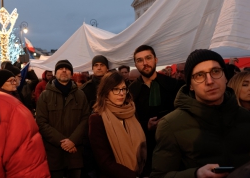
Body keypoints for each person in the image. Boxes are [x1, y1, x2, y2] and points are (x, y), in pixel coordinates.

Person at [150, 49, 250, 178]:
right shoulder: (170, 125)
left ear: (225, 76)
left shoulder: (245, 117)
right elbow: (159, 175)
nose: (209, 81)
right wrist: (195, 174)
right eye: (199, 75)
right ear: (190, 85)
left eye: (215, 71)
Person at [129, 45, 184, 177]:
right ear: (136, 64)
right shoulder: (130, 91)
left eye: (148, 58)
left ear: (156, 59)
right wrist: (145, 125)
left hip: (174, 148)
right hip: (144, 150)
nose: (145, 63)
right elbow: (127, 121)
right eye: (140, 60)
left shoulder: (174, 85)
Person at [0, 71, 50, 177]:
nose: (15, 83)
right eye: (11, 80)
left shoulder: (13, 107)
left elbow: (27, 169)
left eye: (15, 79)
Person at [36, 60, 89, 178]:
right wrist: (64, 142)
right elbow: (41, 122)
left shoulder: (80, 95)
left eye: (67, 68)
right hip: (54, 153)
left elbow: (85, 119)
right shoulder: (45, 96)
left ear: (71, 73)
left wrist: (73, 140)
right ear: (55, 73)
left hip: (75, 153)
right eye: (60, 68)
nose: (64, 70)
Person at [89, 72, 147, 178]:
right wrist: (132, 176)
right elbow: (104, 161)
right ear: (106, 91)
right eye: (116, 89)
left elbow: (141, 146)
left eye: (124, 89)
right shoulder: (97, 119)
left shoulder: (131, 112)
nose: (121, 93)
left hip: (140, 172)